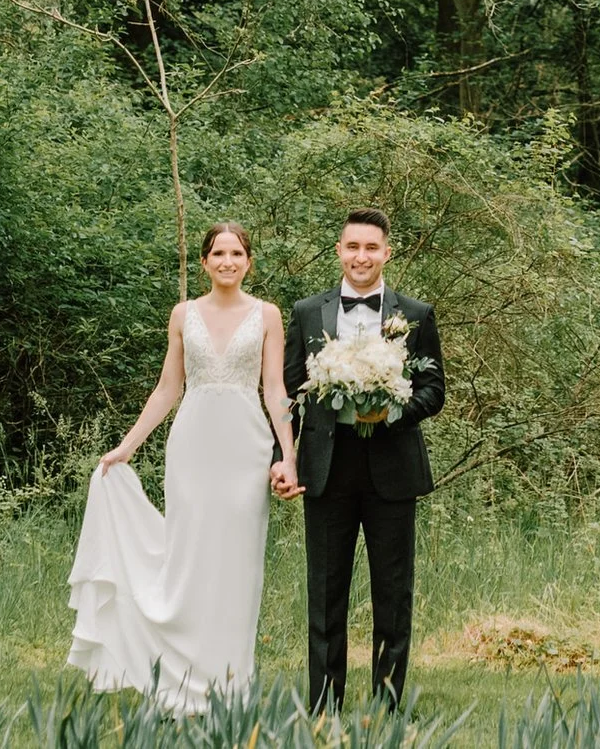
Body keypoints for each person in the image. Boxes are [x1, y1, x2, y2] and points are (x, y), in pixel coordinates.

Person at [67, 223, 299, 711]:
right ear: (204, 262)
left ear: (249, 261)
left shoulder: (268, 315)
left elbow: (275, 389)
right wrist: (127, 446)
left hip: (246, 451)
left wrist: (288, 456)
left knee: (237, 565)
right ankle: (177, 678)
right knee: (188, 559)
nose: (228, 262)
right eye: (219, 253)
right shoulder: (183, 314)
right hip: (192, 449)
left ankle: (230, 684)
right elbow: (167, 388)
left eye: (237, 254)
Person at [282, 208, 446, 711]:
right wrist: (282, 458)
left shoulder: (415, 314)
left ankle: (387, 706)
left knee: (393, 595)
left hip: (392, 467)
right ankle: (323, 705)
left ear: (387, 253)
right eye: (353, 247)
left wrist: (392, 411)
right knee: (325, 592)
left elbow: (434, 390)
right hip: (326, 467)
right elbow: (287, 394)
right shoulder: (307, 312)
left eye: (371, 248)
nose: (361, 256)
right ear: (339, 251)